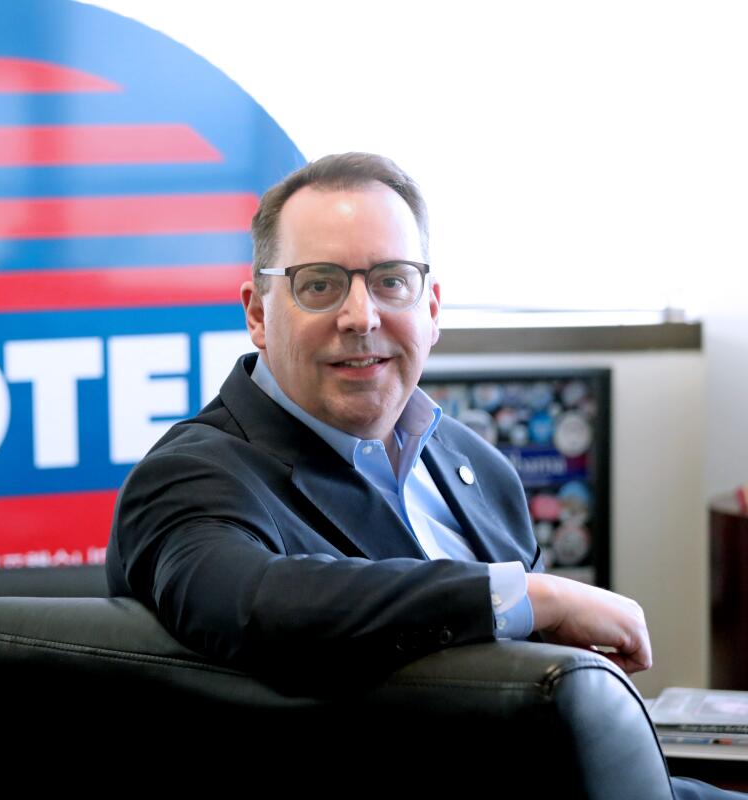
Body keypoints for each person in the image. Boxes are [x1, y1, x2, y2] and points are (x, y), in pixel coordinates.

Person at [106, 152, 736, 799]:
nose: (361, 317)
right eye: (319, 285)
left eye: (391, 281)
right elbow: (253, 603)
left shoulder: (478, 466)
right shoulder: (190, 475)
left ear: (431, 308)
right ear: (259, 314)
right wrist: (527, 595)